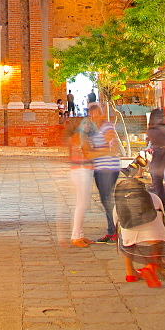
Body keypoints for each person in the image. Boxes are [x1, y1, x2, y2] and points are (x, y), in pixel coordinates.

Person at [114, 174, 165, 287]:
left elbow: (116, 224)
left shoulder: (119, 204)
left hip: (130, 236)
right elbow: (163, 218)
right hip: (155, 234)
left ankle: (130, 273)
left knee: (123, 238)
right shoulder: (154, 197)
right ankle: (152, 266)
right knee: (157, 240)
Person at [87, 103, 121, 243]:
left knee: (107, 200)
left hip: (109, 167)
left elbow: (111, 149)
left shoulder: (107, 127)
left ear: (100, 114)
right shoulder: (94, 129)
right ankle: (111, 230)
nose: (93, 117)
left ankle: (115, 231)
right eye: (91, 114)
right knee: (104, 199)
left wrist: (94, 152)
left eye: (95, 114)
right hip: (99, 168)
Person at [66, 115, 94, 248]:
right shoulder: (79, 136)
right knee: (81, 205)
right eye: (85, 124)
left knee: (83, 204)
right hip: (81, 171)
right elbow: (89, 154)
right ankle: (76, 236)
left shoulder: (80, 136)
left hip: (83, 170)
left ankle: (80, 234)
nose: (88, 126)